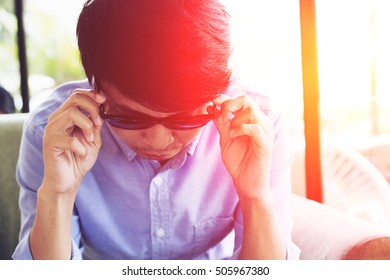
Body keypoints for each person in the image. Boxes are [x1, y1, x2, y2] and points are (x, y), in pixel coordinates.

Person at [13, 0, 300, 260]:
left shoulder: (255, 127)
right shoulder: (54, 135)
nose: (158, 141)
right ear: (96, 86)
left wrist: (255, 195)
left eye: (184, 118)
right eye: (130, 117)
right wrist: (58, 194)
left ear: (216, 95)